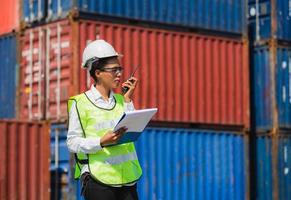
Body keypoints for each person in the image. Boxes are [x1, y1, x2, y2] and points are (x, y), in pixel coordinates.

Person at [66, 39, 142, 200]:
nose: (119, 74)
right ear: (97, 72)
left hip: (126, 179)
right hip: (97, 179)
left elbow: (132, 134)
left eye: (119, 69)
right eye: (114, 70)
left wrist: (128, 100)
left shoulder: (123, 100)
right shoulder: (80, 103)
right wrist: (100, 142)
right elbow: (72, 143)